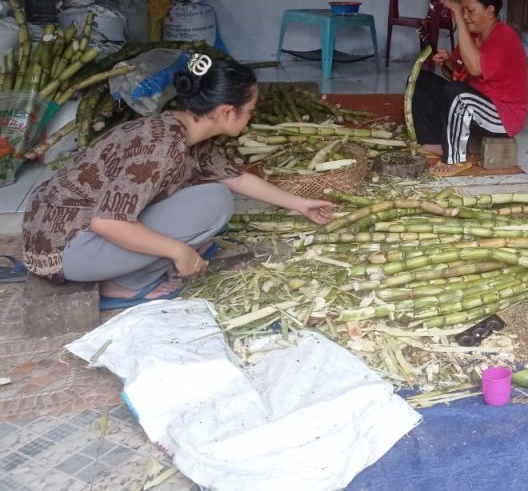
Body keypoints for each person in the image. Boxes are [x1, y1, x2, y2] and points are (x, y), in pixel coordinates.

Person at [21, 53, 334, 309]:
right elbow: (108, 223)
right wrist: (178, 252)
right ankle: (123, 285)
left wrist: (300, 204)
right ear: (227, 112)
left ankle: (132, 268)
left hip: (60, 230)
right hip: (65, 250)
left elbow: (235, 178)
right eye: (249, 110)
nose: (251, 116)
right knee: (213, 205)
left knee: (212, 196)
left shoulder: (185, 131)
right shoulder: (162, 147)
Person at [413, 0, 528, 176]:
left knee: (458, 95)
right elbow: (456, 77)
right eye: (462, 10)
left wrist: (457, 15)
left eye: (470, 10)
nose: (465, 16)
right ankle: (436, 143)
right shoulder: (473, 37)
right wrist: (447, 62)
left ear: (490, 11)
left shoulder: (505, 37)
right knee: (422, 81)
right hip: (475, 104)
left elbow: (474, 69)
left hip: (502, 115)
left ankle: (456, 159)